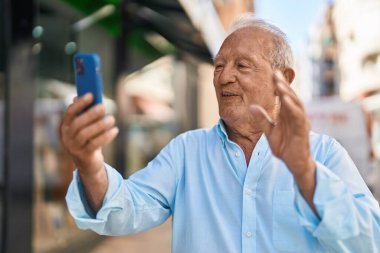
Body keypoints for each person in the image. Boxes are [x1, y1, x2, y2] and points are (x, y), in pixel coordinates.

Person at [62, 13, 380, 253]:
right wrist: (88, 162)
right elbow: (123, 209)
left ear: (283, 79)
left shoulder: (323, 154)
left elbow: (369, 242)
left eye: (242, 66)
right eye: (219, 66)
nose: (224, 77)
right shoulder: (186, 152)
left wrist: (308, 176)